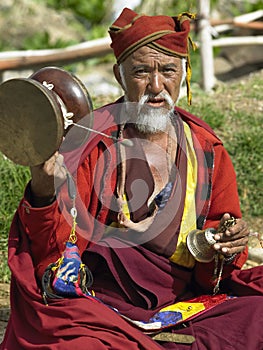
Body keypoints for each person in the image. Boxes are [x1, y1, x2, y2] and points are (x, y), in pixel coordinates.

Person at [1, 7, 263, 350]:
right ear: (118, 75)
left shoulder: (206, 149)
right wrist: (45, 183)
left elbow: (217, 258)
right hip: (98, 307)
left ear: (185, 74)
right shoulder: (89, 141)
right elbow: (52, 253)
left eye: (168, 70)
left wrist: (226, 245)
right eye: (141, 71)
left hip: (180, 306)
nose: (156, 86)